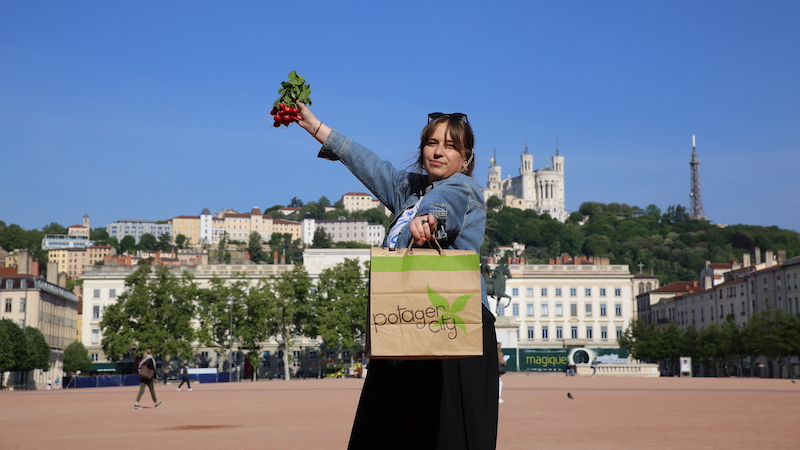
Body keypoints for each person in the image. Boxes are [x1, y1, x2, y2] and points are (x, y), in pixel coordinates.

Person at [296, 103, 498, 449]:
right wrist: (313, 125)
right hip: (407, 320)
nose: (438, 151)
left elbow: (445, 204)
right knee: (389, 430)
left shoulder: (463, 188)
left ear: (465, 159)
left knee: (444, 434)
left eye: (450, 146)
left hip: (455, 326)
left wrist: (430, 220)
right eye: (432, 143)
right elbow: (367, 162)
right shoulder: (409, 191)